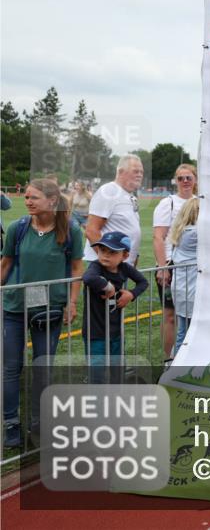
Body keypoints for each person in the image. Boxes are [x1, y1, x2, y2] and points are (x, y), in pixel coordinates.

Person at [1, 178, 84, 448]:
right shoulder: (18, 228)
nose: (27, 201)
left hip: (48, 312)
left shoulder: (70, 230)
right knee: (11, 368)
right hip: (14, 307)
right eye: (26, 197)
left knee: (42, 369)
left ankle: (39, 423)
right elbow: (6, 263)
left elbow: (75, 269)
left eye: (33, 197)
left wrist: (72, 303)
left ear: (52, 201)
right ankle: (11, 424)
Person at [82, 232, 148, 381]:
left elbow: (143, 282)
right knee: (97, 375)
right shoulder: (96, 266)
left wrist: (131, 294)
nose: (105, 255)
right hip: (95, 333)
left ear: (124, 256)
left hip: (116, 332)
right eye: (102, 250)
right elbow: (88, 277)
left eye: (112, 252)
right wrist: (108, 286)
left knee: (117, 373)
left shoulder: (124, 268)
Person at [152, 164, 197, 362]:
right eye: (180, 178)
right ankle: (169, 361)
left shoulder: (202, 201)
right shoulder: (167, 203)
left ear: (195, 179)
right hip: (171, 266)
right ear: (175, 181)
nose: (185, 181)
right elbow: (158, 237)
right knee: (171, 316)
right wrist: (163, 268)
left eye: (189, 177)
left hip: (196, 268)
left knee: (193, 317)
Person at [85, 155, 144, 267]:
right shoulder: (109, 191)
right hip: (106, 267)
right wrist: (109, 262)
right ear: (121, 171)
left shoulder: (130, 196)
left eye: (141, 172)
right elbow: (91, 231)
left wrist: (132, 259)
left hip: (121, 266)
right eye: (135, 171)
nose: (140, 175)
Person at [167, 198, 199, 358]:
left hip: (182, 287)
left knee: (183, 330)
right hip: (190, 289)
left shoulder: (182, 230)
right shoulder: (194, 233)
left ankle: (174, 363)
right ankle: (177, 365)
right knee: (187, 332)